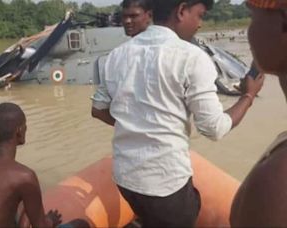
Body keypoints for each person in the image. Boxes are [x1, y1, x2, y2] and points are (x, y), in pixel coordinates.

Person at [91, 0, 264, 227]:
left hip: (126, 178)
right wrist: (248, 96)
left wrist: (138, 125)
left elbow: (99, 109)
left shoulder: (116, 55)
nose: (200, 24)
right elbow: (214, 128)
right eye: (199, 15)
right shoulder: (192, 57)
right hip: (165, 184)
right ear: (181, 11)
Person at [230, 1, 287, 227]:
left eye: (252, 17)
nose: (249, 31)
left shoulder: (277, 183)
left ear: (283, 20)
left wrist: (248, 96)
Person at [0, 102, 62, 227]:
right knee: (80, 224)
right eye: (25, 125)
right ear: (19, 131)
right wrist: (50, 220)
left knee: (22, 203)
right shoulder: (24, 176)